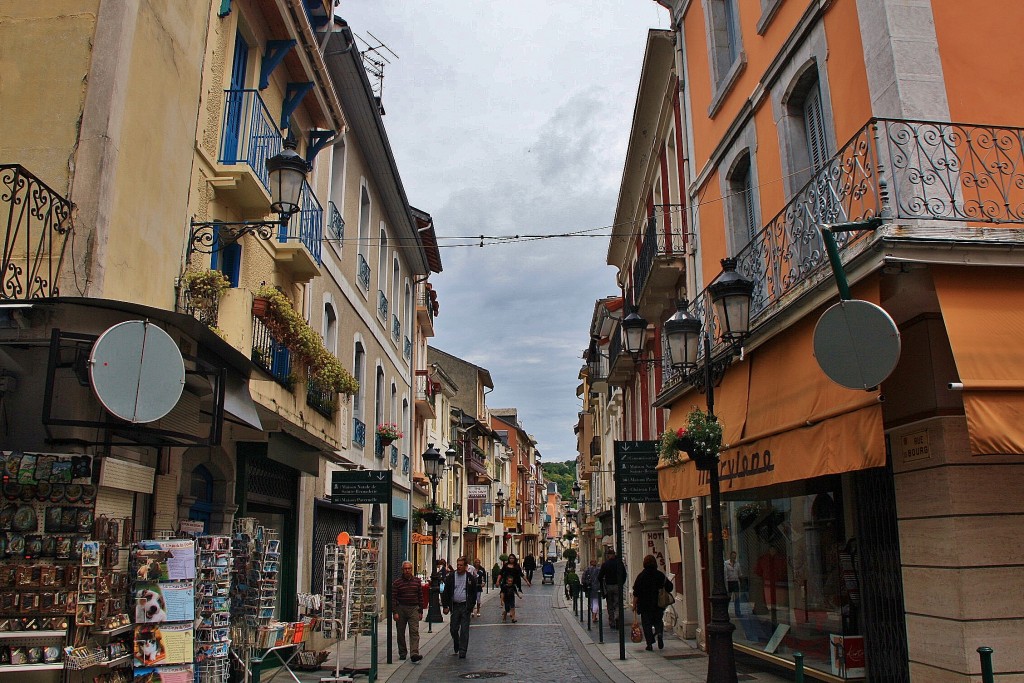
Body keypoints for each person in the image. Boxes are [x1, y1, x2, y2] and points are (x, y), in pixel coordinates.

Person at [631, 554, 673, 651]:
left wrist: (634, 605)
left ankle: (649, 644)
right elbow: (670, 587)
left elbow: (636, 592)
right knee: (658, 620)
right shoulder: (660, 575)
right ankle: (659, 633)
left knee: (647, 624)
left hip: (645, 605)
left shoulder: (641, 576)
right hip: (658, 604)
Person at [441, 556, 480, 659]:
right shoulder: (451, 577)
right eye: (458, 565)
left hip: (465, 606)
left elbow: (473, 593)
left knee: (464, 629)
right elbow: (446, 592)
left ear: (465, 566)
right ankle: (456, 641)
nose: (459, 567)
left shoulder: (470, 578)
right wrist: (445, 606)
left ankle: (463, 650)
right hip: (455, 606)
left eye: (461, 565)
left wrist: (471, 606)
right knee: (453, 628)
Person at [392, 561, 425, 662]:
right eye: (405, 569)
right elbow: (393, 598)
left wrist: (420, 611)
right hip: (401, 608)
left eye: (409, 568)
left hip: (414, 608)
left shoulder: (417, 581)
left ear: (411, 569)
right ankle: (402, 652)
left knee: (414, 631)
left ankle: (414, 653)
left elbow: (420, 596)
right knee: (400, 632)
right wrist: (395, 612)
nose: (407, 570)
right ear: (402, 570)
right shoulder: (397, 583)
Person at [597, 548, 626, 629]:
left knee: (609, 605)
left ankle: (612, 621)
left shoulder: (605, 564)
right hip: (617, 586)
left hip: (608, 586)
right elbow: (624, 574)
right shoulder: (619, 563)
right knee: (617, 603)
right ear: (614, 554)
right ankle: (617, 616)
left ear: (608, 555)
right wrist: (621, 583)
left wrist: (603, 584)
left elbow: (599, 576)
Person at [725, 550, 743, 617]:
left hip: (735, 582)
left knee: (737, 598)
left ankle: (738, 612)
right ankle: (726, 611)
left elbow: (739, 574)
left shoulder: (737, 564)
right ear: (730, 556)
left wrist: (741, 582)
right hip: (729, 582)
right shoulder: (726, 563)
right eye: (733, 556)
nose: (734, 558)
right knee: (728, 597)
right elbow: (725, 573)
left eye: (735, 556)